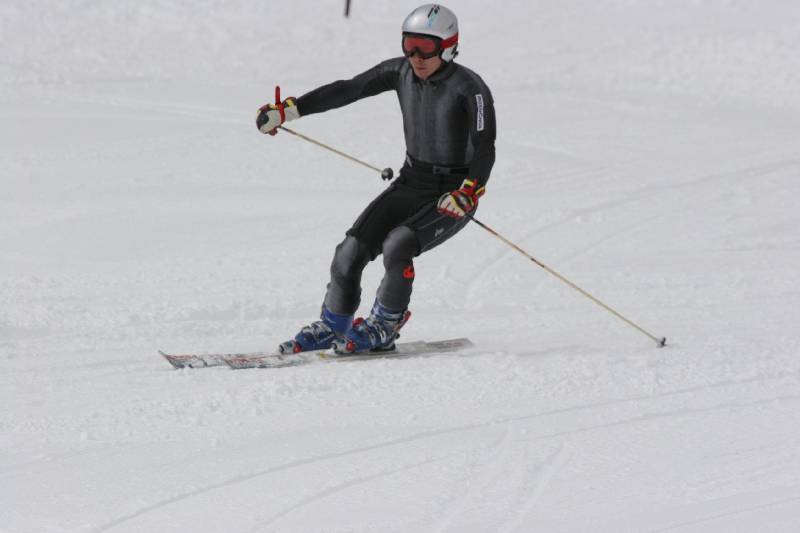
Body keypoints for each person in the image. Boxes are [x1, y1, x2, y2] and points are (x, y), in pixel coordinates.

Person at [256, 4, 496, 354]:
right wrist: (289, 110)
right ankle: (333, 325)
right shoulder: (400, 71)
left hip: (453, 194)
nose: (416, 56)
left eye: (426, 47)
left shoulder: (469, 87)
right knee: (349, 252)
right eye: (409, 45)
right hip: (412, 181)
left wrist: (469, 191)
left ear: (448, 47)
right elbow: (349, 89)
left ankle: (385, 324)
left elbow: (485, 145)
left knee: (398, 245)